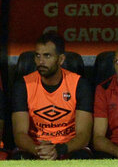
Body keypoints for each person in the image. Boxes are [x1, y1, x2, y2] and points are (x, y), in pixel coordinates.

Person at [11, 32, 93, 160]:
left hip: (69, 148)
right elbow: (19, 134)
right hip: (35, 148)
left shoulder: (79, 84)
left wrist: (59, 150)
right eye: (37, 56)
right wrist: (39, 151)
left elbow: (84, 135)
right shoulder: (23, 85)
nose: (41, 61)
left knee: (83, 158)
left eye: (47, 56)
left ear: (61, 59)